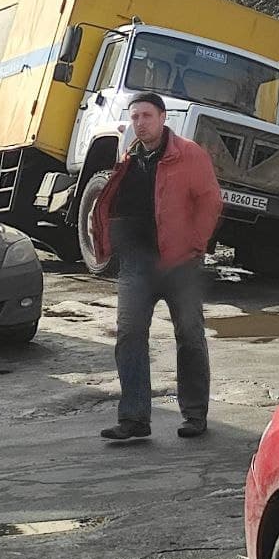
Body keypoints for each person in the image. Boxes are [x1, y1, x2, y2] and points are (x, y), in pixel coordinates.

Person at [91, 92, 223, 441]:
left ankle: (194, 415)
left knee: (190, 337)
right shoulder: (129, 156)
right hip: (136, 264)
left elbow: (210, 200)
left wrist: (195, 244)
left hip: (180, 262)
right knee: (130, 336)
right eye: (134, 117)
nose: (140, 123)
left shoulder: (189, 154)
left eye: (147, 116)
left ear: (163, 118)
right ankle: (134, 418)